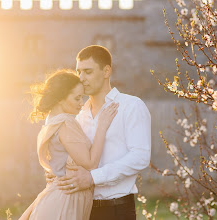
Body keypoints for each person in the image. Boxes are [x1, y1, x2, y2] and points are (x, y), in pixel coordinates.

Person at [56, 45, 151, 220]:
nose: (81, 78)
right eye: (79, 72)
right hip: (83, 209)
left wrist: (93, 178)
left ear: (106, 71)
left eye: (88, 72)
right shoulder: (79, 116)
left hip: (117, 209)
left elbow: (140, 157)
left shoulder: (131, 106)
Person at [19, 69, 119, 220]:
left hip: (57, 198)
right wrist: (102, 127)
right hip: (65, 202)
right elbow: (91, 164)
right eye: (77, 98)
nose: (81, 103)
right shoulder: (66, 122)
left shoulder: (50, 124)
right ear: (60, 98)